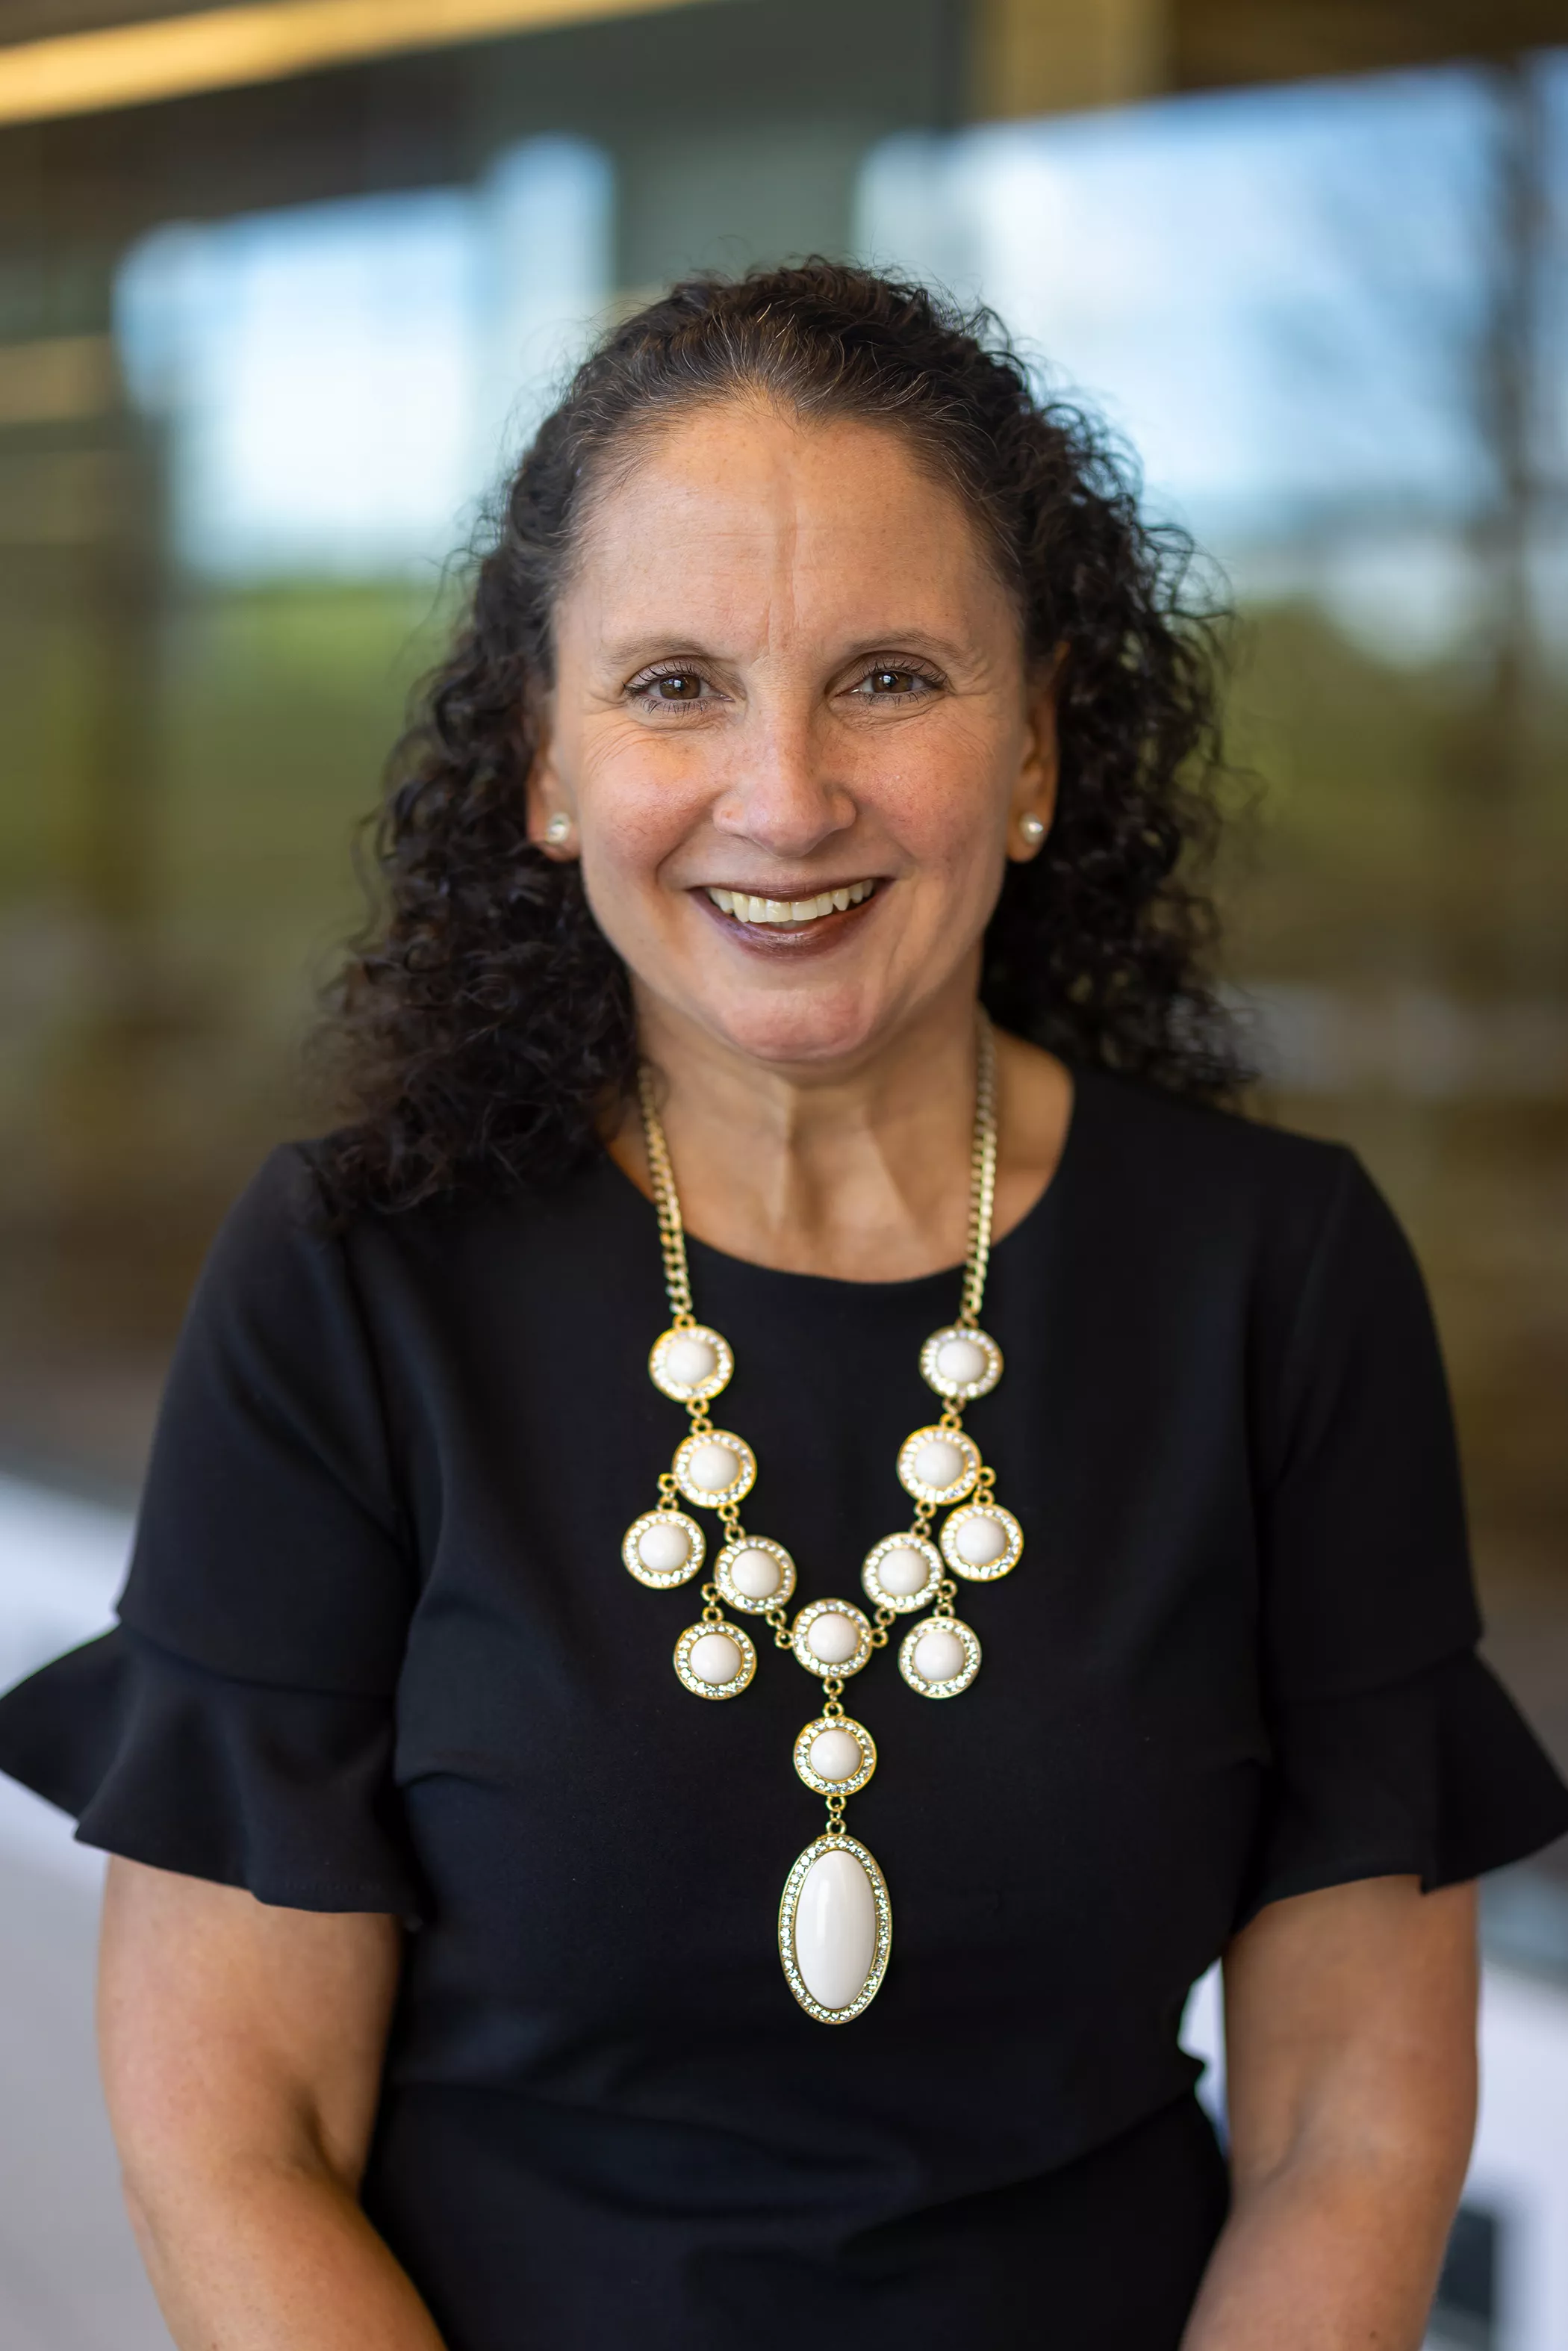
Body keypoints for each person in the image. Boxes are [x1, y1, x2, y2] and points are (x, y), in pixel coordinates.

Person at [2, 261, 1565, 2351]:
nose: (785, 793)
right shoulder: (355, 1280)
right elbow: (234, 2134)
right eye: (675, 685)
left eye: (888, 677)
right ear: (546, 766)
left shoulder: (1276, 1278)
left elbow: (1348, 2125)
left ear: (1035, 743)